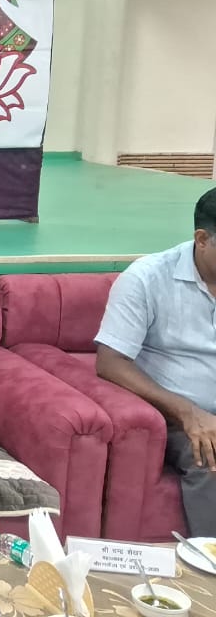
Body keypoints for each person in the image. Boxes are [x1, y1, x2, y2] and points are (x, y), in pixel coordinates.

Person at [96, 185, 216, 536]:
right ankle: (209, 564)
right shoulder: (147, 278)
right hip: (180, 418)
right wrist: (187, 412)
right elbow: (110, 361)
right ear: (202, 239)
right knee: (210, 455)